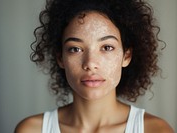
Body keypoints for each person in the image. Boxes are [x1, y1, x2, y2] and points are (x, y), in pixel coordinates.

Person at [15, 0, 174, 132]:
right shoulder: (31, 129)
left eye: (106, 47)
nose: (90, 63)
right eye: (75, 49)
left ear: (126, 56)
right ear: (60, 58)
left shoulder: (156, 130)